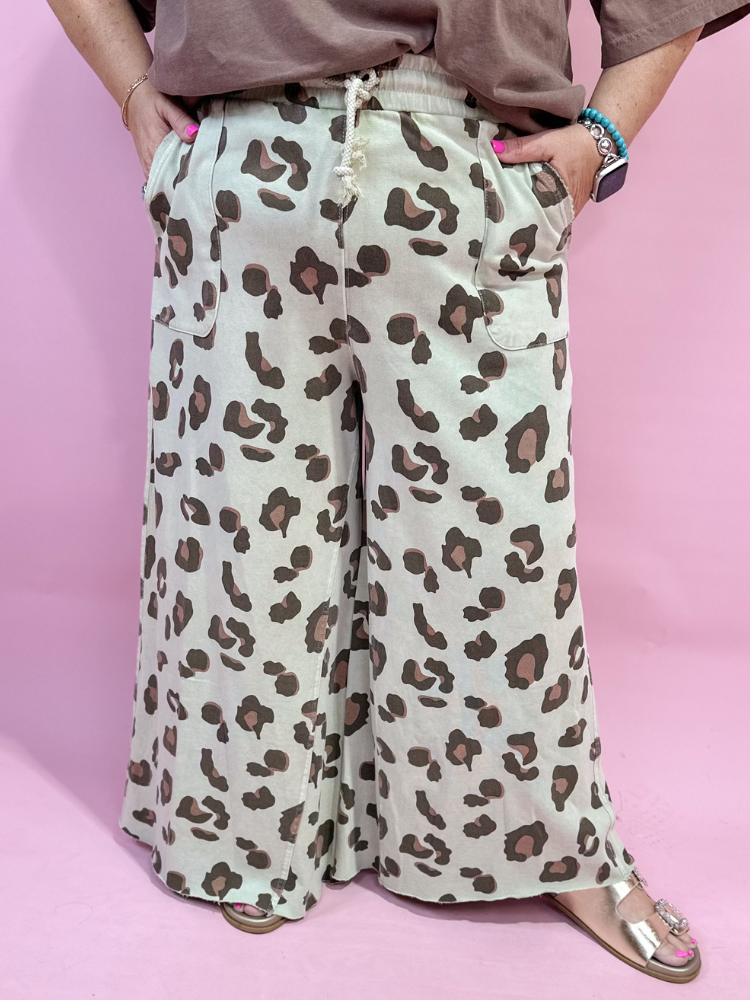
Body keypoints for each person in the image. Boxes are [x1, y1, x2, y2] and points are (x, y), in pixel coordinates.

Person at [47, 0, 749, 984]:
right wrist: (134, 93)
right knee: (244, 546)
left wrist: (601, 140)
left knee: (499, 556)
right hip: (247, 164)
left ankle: (551, 847)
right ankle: (253, 827)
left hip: (463, 160)